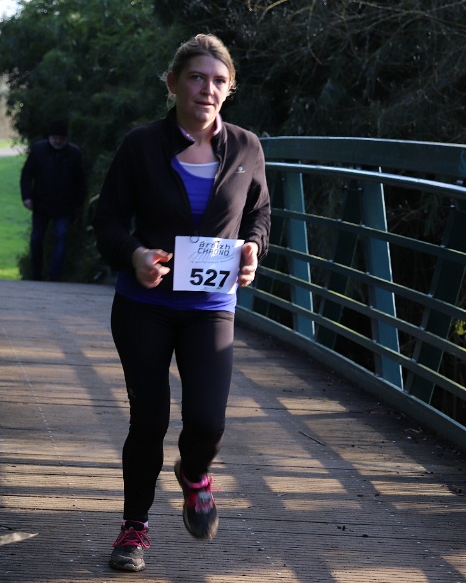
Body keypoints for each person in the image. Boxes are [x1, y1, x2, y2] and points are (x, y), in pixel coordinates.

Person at [92, 33, 271, 572]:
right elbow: (106, 218)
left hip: (210, 306)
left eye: (218, 81)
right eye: (196, 77)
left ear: (229, 89)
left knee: (208, 420)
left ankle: (194, 474)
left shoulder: (246, 148)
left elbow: (259, 214)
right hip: (144, 303)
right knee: (149, 420)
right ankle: (134, 528)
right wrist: (135, 254)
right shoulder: (141, 145)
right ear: (173, 84)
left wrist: (253, 249)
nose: (206, 89)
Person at [20, 119, 85, 281]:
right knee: (36, 239)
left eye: (61, 138)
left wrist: (78, 204)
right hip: (41, 203)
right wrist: (27, 196)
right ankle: (36, 274)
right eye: (55, 138)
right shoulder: (39, 150)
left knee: (61, 237)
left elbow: (80, 181)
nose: (57, 141)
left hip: (64, 205)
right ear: (49, 137)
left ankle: (55, 275)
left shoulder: (74, 154)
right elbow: (27, 174)